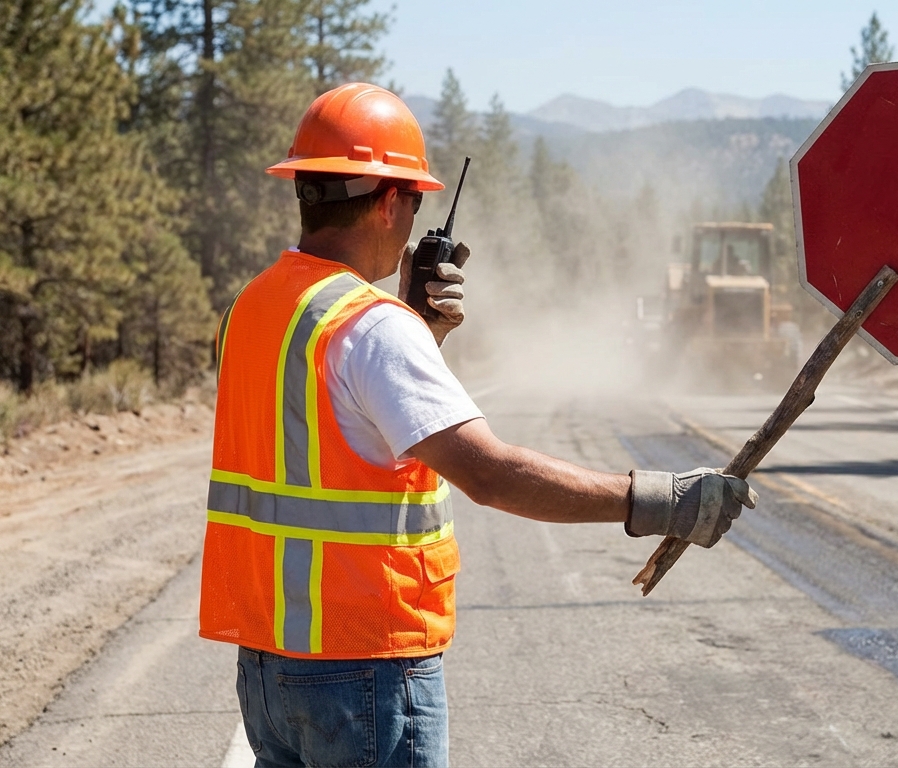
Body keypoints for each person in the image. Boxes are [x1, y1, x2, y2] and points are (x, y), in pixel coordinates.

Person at [199, 83, 757, 768]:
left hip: (268, 668)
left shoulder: (250, 309)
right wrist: (658, 501)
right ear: (389, 202)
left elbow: (331, 426)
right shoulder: (371, 329)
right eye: (412, 203)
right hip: (365, 666)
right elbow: (489, 475)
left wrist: (419, 331)